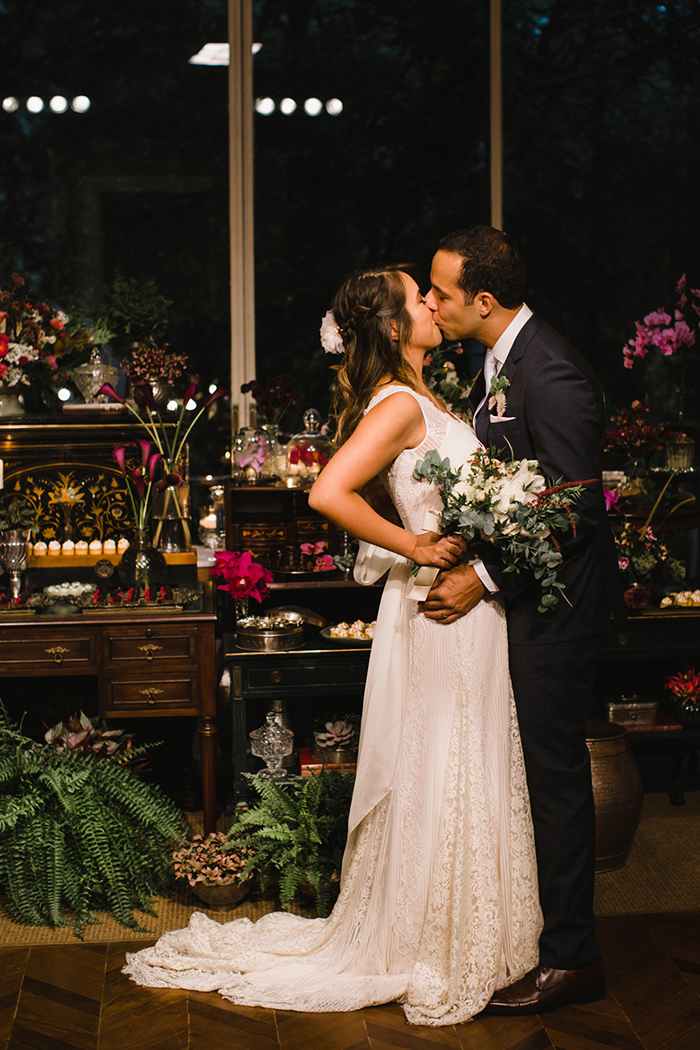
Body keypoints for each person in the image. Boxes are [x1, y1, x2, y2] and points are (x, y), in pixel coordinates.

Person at [123, 263, 542, 1025]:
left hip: (465, 614)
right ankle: (428, 935)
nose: (431, 305)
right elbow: (327, 492)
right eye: (419, 298)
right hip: (438, 612)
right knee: (440, 758)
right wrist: (416, 547)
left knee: (458, 756)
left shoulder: (428, 396)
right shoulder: (399, 404)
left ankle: (459, 924)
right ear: (391, 325)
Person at [423, 226, 624, 1015]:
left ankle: (573, 958)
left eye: (441, 291)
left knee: (556, 780)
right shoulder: (499, 363)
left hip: (558, 609)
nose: (432, 301)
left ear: (482, 299)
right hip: (526, 602)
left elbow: (578, 509)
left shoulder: (555, 370)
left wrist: (483, 576)